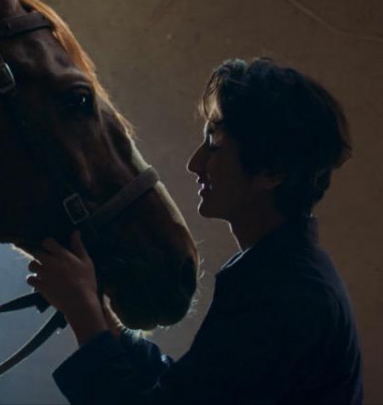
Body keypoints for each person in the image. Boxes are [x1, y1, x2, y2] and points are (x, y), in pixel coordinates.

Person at [26, 58, 363, 404]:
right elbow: (185, 392)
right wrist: (98, 312)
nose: (195, 163)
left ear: (272, 171)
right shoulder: (282, 274)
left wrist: (82, 311)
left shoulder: (286, 298)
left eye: (214, 143)